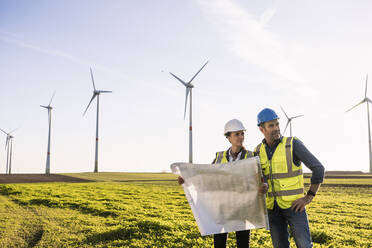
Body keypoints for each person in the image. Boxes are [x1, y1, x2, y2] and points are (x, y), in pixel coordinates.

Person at [178, 119, 268, 248]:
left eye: (242, 134)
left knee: (243, 244)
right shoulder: (219, 157)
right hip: (222, 208)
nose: (240, 137)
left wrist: (264, 186)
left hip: (243, 209)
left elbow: (261, 179)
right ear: (228, 137)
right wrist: (187, 179)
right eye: (236, 134)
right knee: (219, 244)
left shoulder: (251, 156)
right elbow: (207, 177)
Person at [254, 108, 325, 248]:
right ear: (262, 129)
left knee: (304, 246)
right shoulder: (257, 151)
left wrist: (308, 197)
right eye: (271, 125)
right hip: (272, 209)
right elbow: (258, 179)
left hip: (294, 207)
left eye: (277, 124)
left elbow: (318, 168)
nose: (276, 128)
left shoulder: (292, 144)